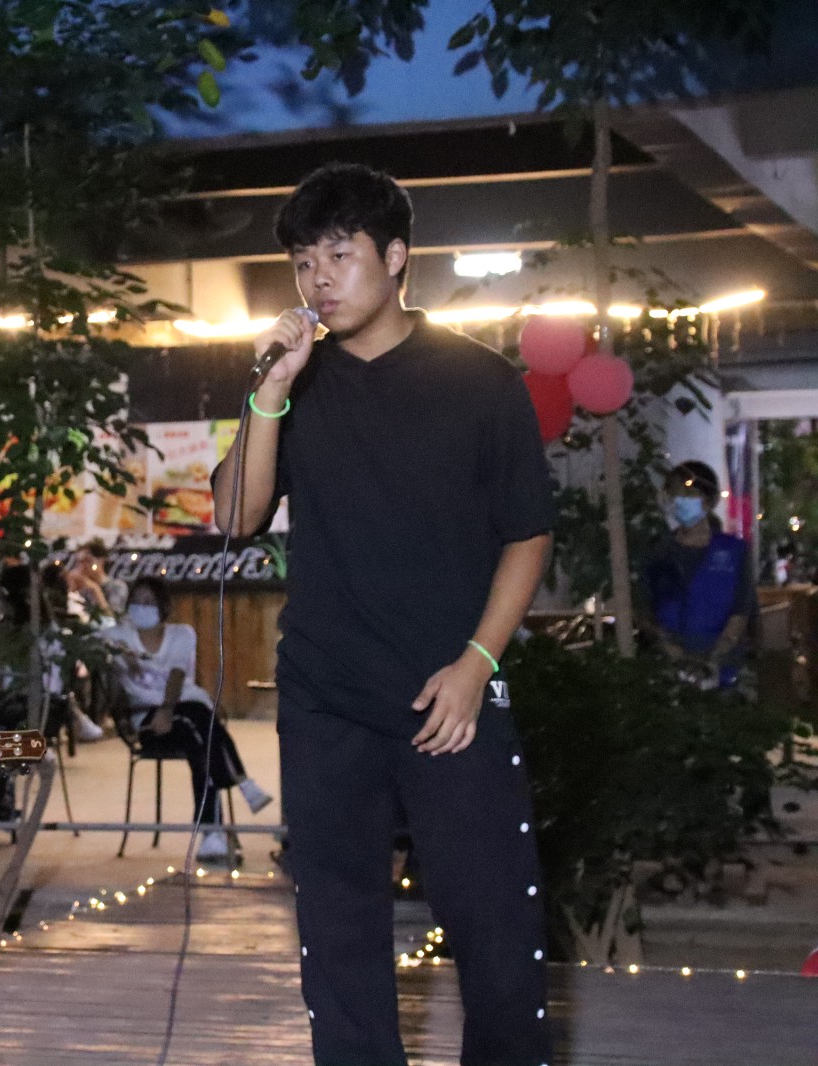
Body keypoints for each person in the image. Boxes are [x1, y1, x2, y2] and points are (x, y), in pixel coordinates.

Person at [210, 162, 556, 1066]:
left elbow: (528, 535)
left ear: (396, 256)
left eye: (339, 254)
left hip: (450, 696)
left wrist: (478, 663)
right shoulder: (297, 384)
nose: (318, 279)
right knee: (339, 938)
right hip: (326, 698)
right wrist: (270, 390)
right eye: (302, 261)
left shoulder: (479, 381)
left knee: (496, 931)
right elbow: (236, 515)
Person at [101, 576, 272, 861]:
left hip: (182, 711)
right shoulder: (115, 638)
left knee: (197, 732)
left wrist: (168, 709)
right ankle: (241, 784)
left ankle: (212, 833)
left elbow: (177, 674)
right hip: (148, 720)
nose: (141, 607)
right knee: (200, 724)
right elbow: (77, 645)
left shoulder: (182, 635)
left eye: (149, 602)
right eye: (136, 601)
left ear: (163, 606)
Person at [642, 461, 755, 689]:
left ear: (709, 501)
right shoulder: (659, 553)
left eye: (689, 495)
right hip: (669, 674)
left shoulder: (734, 552)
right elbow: (646, 611)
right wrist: (677, 656)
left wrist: (713, 660)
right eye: (675, 494)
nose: (679, 501)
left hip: (725, 673)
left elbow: (741, 610)